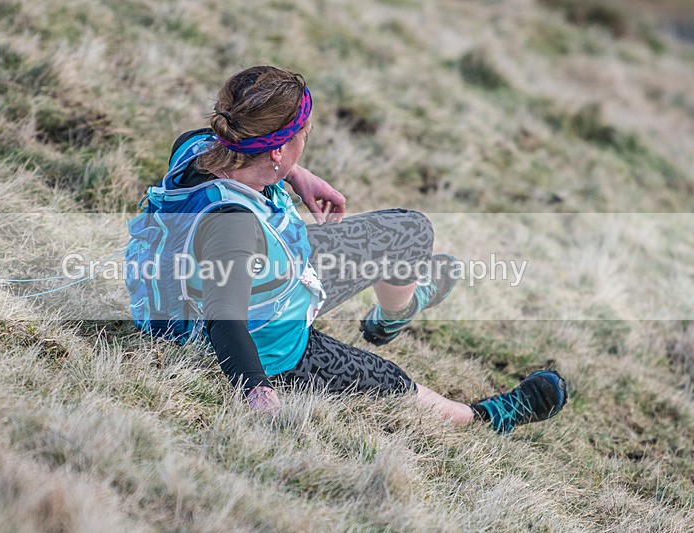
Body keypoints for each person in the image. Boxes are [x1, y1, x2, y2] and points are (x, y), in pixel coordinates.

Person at [125, 65, 567, 434]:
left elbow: (241, 157)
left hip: (271, 277)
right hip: (260, 345)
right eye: (304, 134)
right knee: (395, 384)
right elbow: (225, 318)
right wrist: (257, 391)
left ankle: (394, 315)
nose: (306, 141)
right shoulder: (233, 226)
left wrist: (296, 174)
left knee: (409, 232)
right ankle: (488, 418)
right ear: (278, 149)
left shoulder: (196, 147)